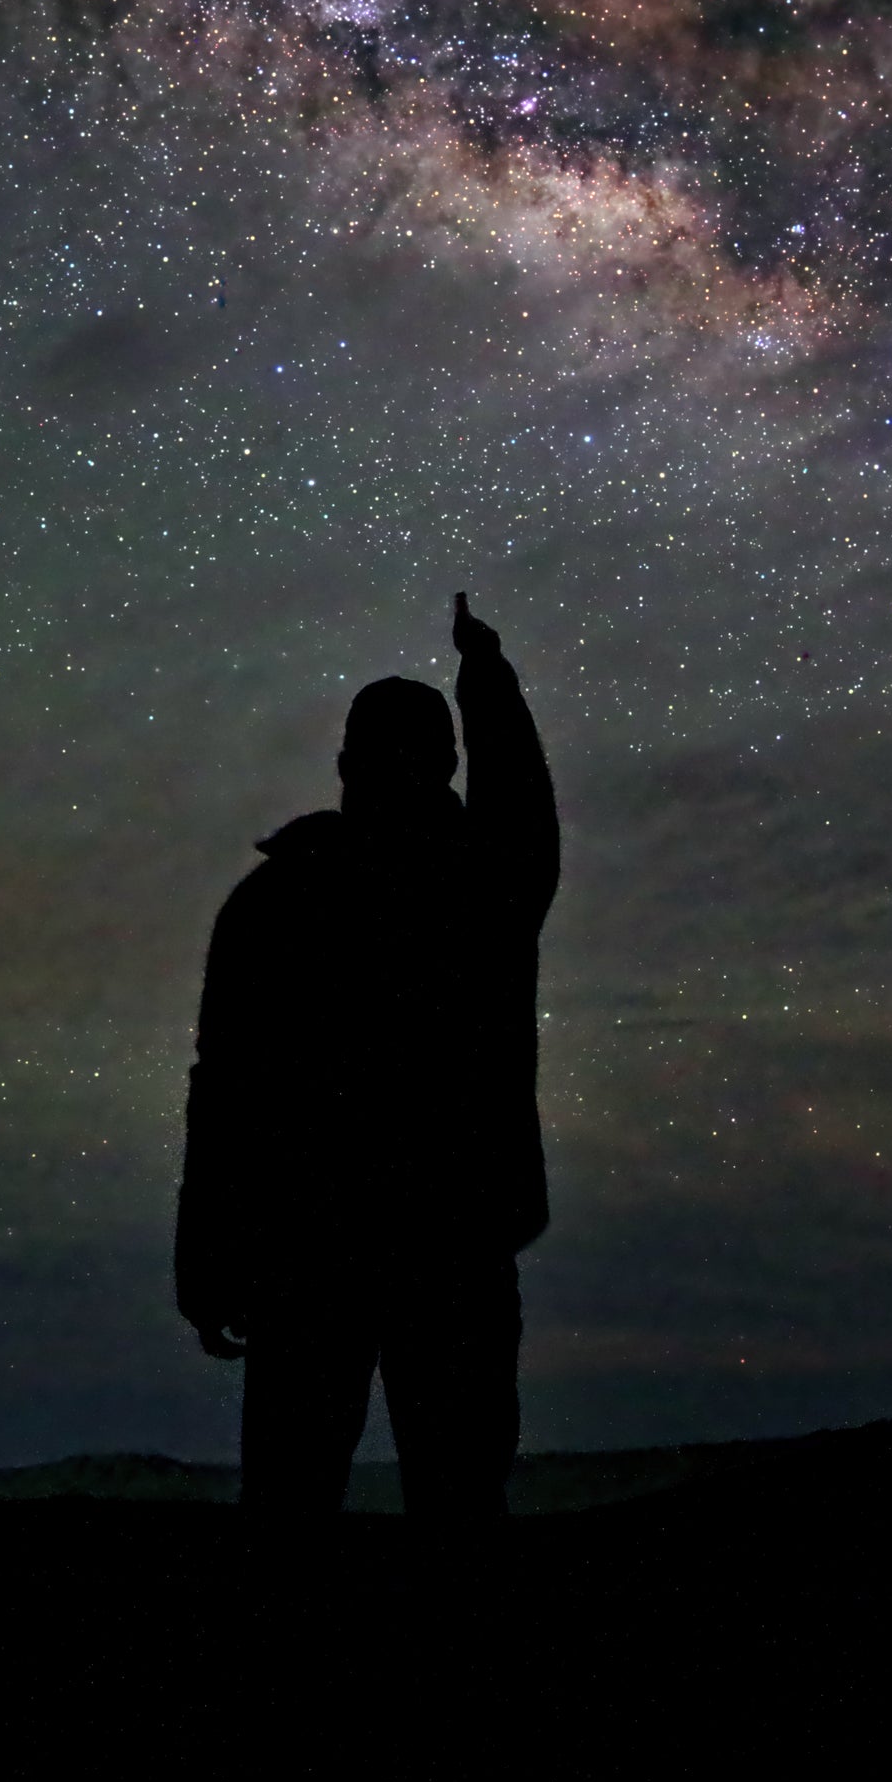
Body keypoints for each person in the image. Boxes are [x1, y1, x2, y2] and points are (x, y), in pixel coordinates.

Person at [176, 593, 560, 1518]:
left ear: (345, 766)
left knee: (297, 1497)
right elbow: (521, 806)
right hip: (447, 1236)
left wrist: (207, 1259)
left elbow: (221, 1094)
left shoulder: (275, 904)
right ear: (447, 764)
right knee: (457, 1494)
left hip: (314, 1245)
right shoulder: (483, 886)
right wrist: (486, 677)